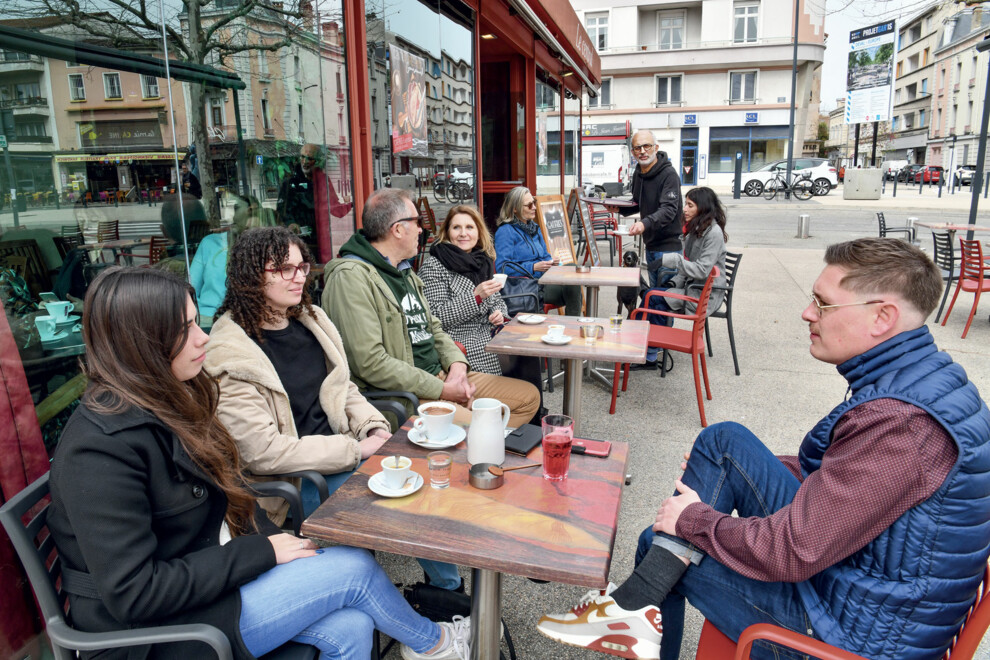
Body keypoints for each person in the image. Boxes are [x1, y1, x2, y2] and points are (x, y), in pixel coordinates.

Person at [537, 238, 990, 660]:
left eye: (823, 302)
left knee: (661, 543)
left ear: (881, 317)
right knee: (724, 443)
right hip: (867, 592)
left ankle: (634, 610)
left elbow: (792, 552)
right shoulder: (922, 379)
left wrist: (694, 518)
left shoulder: (902, 424)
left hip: (852, 636)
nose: (807, 313)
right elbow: (854, 477)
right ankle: (635, 610)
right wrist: (740, 472)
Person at [45, 266, 473, 660]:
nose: (203, 338)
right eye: (184, 329)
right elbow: (134, 593)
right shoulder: (98, 450)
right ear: (142, 344)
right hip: (151, 635)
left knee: (352, 624)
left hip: (208, 586)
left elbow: (232, 497)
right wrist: (263, 551)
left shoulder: (172, 400)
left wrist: (280, 547)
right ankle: (436, 644)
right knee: (355, 569)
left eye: (197, 321)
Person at [208, 225, 464, 592]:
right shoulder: (231, 352)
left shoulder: (310, 319)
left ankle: (447, 593)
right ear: (251, 276)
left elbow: (343, 388)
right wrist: (356, 450)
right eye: (284, 269)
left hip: (344, 450)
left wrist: (372, 428)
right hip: (299, 478)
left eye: (302, 266)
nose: (299, 277)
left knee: (431, 479)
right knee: (406, 497)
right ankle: (449, 597)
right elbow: (263, 453)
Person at [322, 188, 540, 431]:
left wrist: (457, 366)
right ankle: (480, 445)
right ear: (397, 229)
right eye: (417, 222)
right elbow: (371, 363)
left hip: (442, 374)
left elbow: (433, 327)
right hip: (406, 395)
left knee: (529, 398)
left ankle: (483, 445)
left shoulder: (403, 270)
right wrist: (443, 390)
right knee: (486, 429)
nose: (421, 230)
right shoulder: (351, 277)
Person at [632, 187, 727, 371]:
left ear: (703, 208)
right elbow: (690, 264)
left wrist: (675, 260)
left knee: (652, 298)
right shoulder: (697, 229)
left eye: (690, 205)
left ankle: (646, 352)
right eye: (686, 204)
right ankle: (643, 347)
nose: (685, 209)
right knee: (652, 297)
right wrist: (673, 282)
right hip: (692, 288)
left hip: (703, 296)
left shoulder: (713, 233)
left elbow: (701, 269)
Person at [419, 205, 508, 374]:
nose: (463, 233)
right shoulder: (434, 265)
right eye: (456, 227)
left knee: (525, 350)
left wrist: (499, 314)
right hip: (457, 341)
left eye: (469, 227)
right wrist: (475, 297)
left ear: (478, 231)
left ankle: (524, 398)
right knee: (514, 356)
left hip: (488, 331)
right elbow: (434, 317)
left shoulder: (483, 260)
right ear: (446, 232)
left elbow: (497, 300)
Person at [493, 186, 581, 316]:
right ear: (515, 208)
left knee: (573, 270)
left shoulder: (534, 228)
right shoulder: (505, 231)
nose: (534, 207)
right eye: (529, 205)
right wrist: (533, 267)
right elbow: (502, 268)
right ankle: (573, 324)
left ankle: (572, 323)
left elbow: (544, 255)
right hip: (526, 286)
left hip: (545, 280)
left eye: (534, 202)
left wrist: (551, 262)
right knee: (573, 288)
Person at [189, 194, 272, 330]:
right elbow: (190, 289)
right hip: (207, 319)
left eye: (237, 208)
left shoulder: (264, 246)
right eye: (232, 208)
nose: (232, 215)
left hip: (250, 320)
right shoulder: (210, 243)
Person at [621, 129, 683, 288]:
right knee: (655, 301)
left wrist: (643, 224)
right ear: (633, 152)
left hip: (668, 250)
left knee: (664, 301)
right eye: (637, 148)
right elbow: (637, 201)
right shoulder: (639, 173)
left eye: (646, 146)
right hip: (650, 246)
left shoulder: (669, 174)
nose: (642, 151)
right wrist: (617, 208)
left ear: (656, 147)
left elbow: (669, 210)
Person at [275, 143, 353, 263]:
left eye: (309, 158)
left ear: (317, 161)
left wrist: (351, 204)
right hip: (298, 240)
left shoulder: (323, 181)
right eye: (302, 157)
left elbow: (335, 209)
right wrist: (291, 224)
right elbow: (281, 211)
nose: (304, 161)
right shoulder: (290, 183)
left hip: (320, 241)